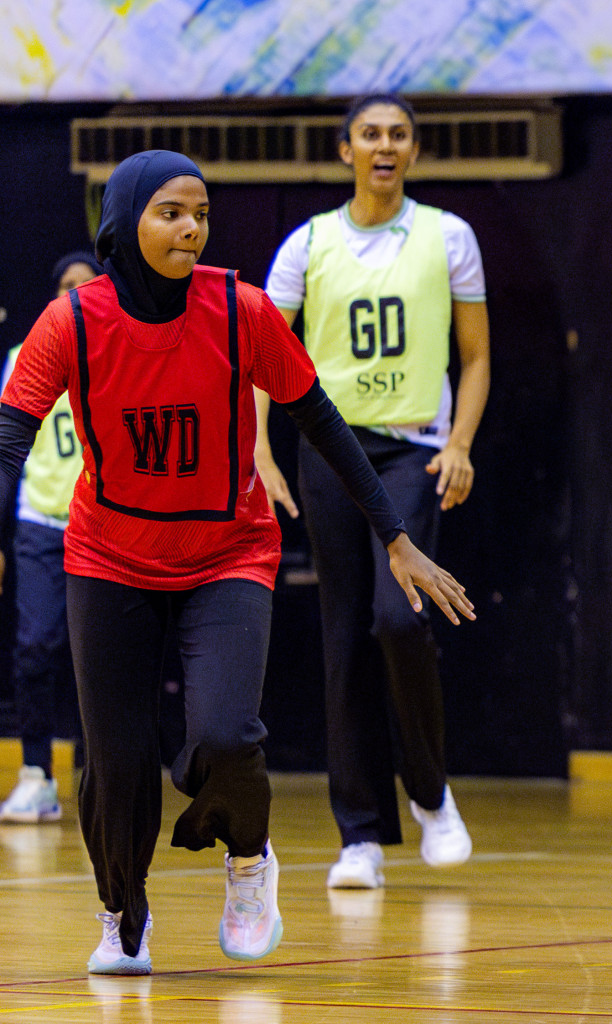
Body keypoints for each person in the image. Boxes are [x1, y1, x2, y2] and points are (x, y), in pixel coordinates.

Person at [0, 150, 474, 975]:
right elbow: (11, 433)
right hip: (109, 556)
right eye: (172, 213)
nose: (192, 228)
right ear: (125, 222)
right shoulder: (73, 320)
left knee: (222, 732)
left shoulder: (240, 309)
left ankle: (249, 862)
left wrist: (395, 535)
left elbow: (321, 422)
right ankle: (121, 915)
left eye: (202, 213)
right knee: (113, 760)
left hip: (227, 550)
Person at [257, 93, 489, 891]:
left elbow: (476, 357)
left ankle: (430, 793)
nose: (383, 145)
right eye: (370, 134)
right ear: (346, 148)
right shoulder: (308, 244)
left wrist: (460, 444)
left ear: (413, 152)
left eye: (397, 134)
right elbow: (265, 351)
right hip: (328, 448)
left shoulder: (447, 236)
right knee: (343, 632)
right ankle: (358, 833)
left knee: (400, 616)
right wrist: (259, 446)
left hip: (414, 449)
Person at [0, 252, 98, 824]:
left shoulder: (117, 345)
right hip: (40, 523)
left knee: (99, 657)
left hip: (101, 524)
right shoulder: (21, 358)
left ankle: (100, 773)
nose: (74, 294)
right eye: (65, 285)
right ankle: (36, 772)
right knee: (35, 646)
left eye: (85, 286)